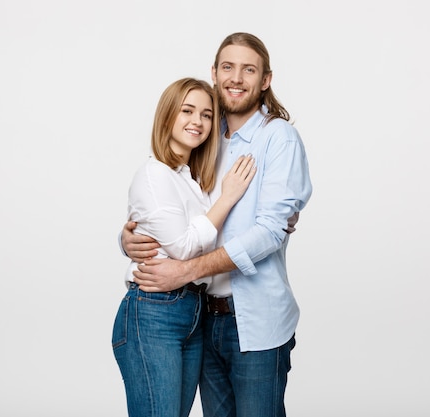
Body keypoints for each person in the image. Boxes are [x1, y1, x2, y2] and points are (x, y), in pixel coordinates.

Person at [121, 32, 312, 417]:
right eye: (228, 67)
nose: (236, 78)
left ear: (265, 80)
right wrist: (130, 237)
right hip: (202, 319)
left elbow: (271, 231)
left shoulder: (279, 139)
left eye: (248, 69)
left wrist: (186, 270)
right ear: (214, 72)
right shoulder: (205, 135)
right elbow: (170, 203)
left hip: (255, 322)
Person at [112, 77, 257, 417]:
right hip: (154, 311)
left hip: (192, 312)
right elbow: (184, 247)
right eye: (187, 111)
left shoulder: (191, 180)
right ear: (167, 116)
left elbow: (208, 235)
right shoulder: (155, 174)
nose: (198, 121)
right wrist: (229, 196)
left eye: (207, 115)